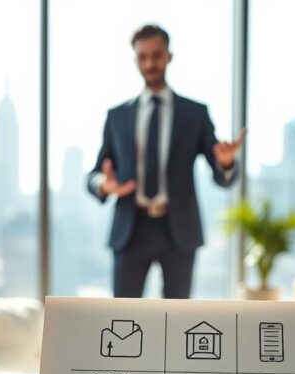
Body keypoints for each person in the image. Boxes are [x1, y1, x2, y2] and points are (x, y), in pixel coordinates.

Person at [87, 24, 246, 299]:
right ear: (135, 60)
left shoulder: (195, 114)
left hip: (178, 232)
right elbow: (94, 174)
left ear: (169, 56)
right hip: (130, 229)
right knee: (121, 318)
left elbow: (222, 175)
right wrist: (104, 184)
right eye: (143, 56)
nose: (150, 63)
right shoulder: (117, 117)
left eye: (156, 55)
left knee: (177, 322)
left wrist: (226, 163)